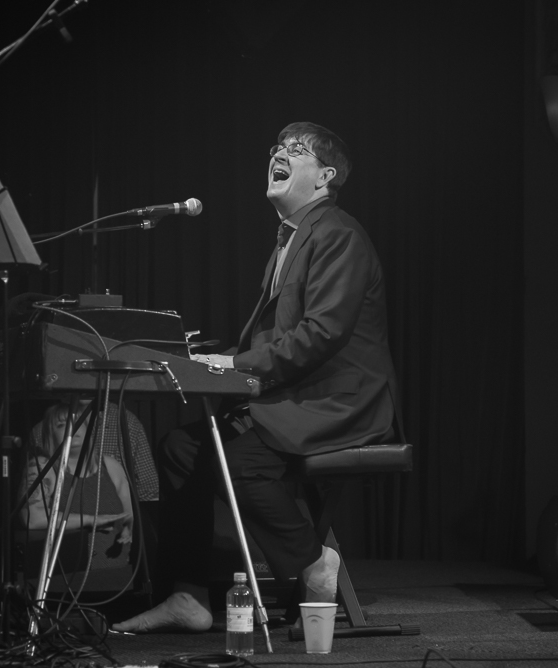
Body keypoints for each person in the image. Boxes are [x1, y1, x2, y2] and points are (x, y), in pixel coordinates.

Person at [114, 122, 399, 632]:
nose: (279, 154)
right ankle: (190, 594)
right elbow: (273, 341)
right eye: (277, 147)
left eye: (296, 150)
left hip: (337, 402)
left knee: (240, 463)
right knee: (180, 450)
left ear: (325, 176)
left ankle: (312, 562)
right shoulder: (290, 240)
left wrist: (236, 367)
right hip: (298, 398)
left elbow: (320, 335)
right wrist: (205, 361)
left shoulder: (338, 233)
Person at [20, 401, 133, 544]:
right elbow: (32, 519)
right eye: (61, 425)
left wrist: (127, 528)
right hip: (69, 560)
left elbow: (128, 515)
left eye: (78, 422)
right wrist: (89, 520)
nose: (72, 428)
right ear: (51, 434)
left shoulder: (111, 465)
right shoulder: (42, 466)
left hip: (115, 561)